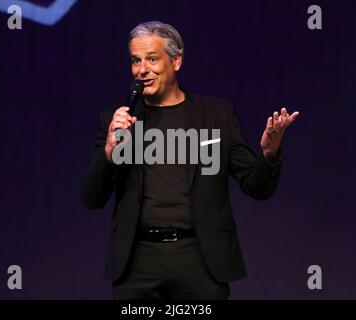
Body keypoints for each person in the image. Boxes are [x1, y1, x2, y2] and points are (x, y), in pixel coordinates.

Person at [82, 21, 299, 300]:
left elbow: (257, 187)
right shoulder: (118, 121)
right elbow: (92, 198)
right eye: (135, 61)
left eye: (151, 59)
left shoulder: (216, 115)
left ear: (176, 60)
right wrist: (110, 152)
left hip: (199, 260)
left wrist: (269, 155)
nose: (141, 70)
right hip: (137, 263)